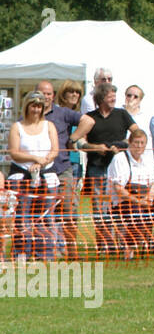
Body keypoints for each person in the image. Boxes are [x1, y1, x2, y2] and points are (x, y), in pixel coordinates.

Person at [71, 83, 142, 259]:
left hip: (120, 167)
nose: (114, 99)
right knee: (99, 207)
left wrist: (123, 145)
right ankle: (105, 245)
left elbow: (137, 133)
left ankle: (122, 244)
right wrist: (94, 147)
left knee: (119, 205)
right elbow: (78, 141)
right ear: (101, 98)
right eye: (110, 96)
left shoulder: (122, 114)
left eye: (114, 95)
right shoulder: (89, 118)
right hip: (97, 167)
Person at [7, 91, 60, 261]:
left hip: (46, 175)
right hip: (22, 175)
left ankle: (45, 253)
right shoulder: (17, 127)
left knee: (45, 215)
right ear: (27, 107)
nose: (36, 110)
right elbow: (14, 153)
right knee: (22, 215)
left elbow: (55, 150)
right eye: (33, 106)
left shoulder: (49, 126)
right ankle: (22, 252)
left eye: (39, 106)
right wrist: (33, 158)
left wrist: (42, 162)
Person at [39, 80, 83, 259]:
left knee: (68, 211)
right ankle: (46, 250)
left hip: (62, 168)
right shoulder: (30, 114)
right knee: (42, 211)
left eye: (49, 94)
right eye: (43, 93)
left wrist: (73, 139)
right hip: (39, 170)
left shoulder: (63, 113)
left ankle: (72, 252)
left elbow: (88, 121)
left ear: (54, 96)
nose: (46, 97)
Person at [107, 128, 154, 259]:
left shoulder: (148, 160)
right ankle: (129, 248)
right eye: (136, 142)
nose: (139, 146)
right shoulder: (120, 159)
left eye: (142, 143)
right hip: (124, 201)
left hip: (147, 197)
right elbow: (119, 189)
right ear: (130, 143)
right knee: (136, 211)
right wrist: (139, 201)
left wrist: (149, 198)